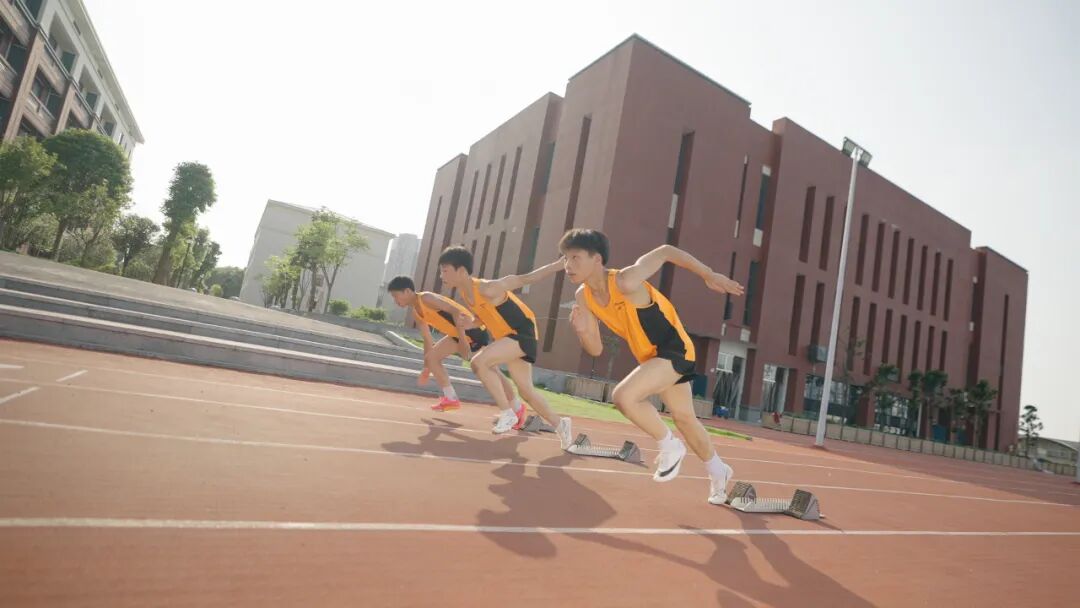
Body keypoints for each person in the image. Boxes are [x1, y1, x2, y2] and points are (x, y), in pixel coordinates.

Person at [560, 228, 745, 504]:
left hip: (674, 349)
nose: (567, 266)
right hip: (651, 358)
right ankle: (719, 471)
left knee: (624, 396)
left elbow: (666, 251)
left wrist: (708, 274)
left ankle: (669, 446)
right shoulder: (582, 297)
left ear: (597, 259)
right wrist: (582, 331)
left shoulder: (625, 280)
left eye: (575, 258)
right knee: (684, 419)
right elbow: (596, 349)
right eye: (565, 259)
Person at [436, 245, 573, 448]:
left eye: (445, 270)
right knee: (526, 392)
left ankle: (508, 413)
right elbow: (483, 318)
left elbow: (523, 279)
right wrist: (471, 323)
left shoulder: (487, 288)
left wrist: (556, 266)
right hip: (507, 338)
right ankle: (561, 425)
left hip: (521, 333)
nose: (441, 275)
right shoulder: (466, 296)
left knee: (479, 362)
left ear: (462, 271)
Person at [386, 275, 517, 412]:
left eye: (396, 296)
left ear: (407, 291)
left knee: (492, 370)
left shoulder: (426, 298)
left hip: (472, 331)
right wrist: (426, 368)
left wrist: (462, 340)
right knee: (432, 358)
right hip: (457, 334)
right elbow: (427, 339)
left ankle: (516, 407)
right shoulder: (416, 313)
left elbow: (456, 312)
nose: (395, 301)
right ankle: (451, 399)